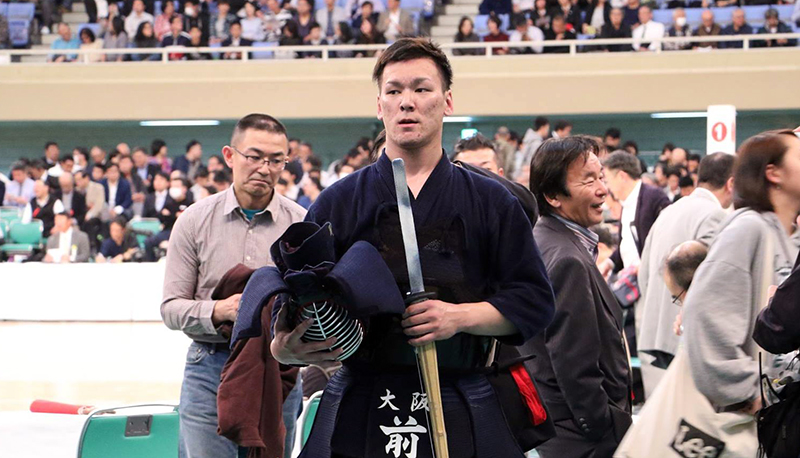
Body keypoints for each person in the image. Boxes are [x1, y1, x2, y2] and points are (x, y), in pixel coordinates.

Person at [270, 37, 556, 458]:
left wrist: (458, 317)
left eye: (422, 89)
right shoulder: (338, 202)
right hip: (367, 398)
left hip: (462, 394)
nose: (407, 102)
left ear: (447, 101)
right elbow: (291, 315)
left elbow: (534, 300)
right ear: (379, 105)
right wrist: (287, 347)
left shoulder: (493, 201)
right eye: (394, 90)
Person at [161, 113, 307, 458]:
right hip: (210, 367)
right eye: (254, 156)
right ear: (230, 156)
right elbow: (170, 308)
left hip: (278, 370)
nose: (264, 168)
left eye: (276, 160)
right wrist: (221, 310)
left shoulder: (301, 224)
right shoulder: (194, 221)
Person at [526, 135, 632, 458]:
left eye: (601, 176)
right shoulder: (566, 259)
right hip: (580, 438)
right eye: (589, 180)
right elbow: (573, 363)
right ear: (553, 195)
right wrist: (600, 424)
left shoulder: (545, 240)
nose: (603, 188)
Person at [684, 130, 800, 417]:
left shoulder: (787, 234)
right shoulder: (748, 229)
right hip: (752, 414)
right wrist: (746, 391)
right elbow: (703, 314)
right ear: (774, 173)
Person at [636, 152, 734, 397]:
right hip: (683, 342)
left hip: (652, 338)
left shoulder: (669, 210)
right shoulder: (715, 215)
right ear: (732, 183)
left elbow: (644, 275)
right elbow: (709, 286)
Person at [600, 151, 671, 277]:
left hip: (652, 278)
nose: (607, 187)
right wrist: (609, 262)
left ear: (622, 176)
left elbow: (667, 241)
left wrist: (644, 267)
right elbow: (626, 244)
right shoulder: (626, 204)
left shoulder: (654, 197)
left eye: (608, 180)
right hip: (632, 280)